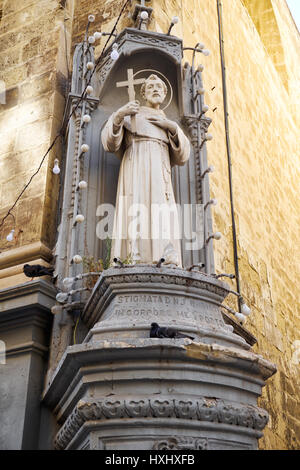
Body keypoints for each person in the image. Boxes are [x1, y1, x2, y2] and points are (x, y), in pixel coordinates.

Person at [101, 74, 190, 266]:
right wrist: (119, 116)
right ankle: (134, 256)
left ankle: (163, 257)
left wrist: (172, 128)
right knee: (136, 207)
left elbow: (183, 156)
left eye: (160, 86)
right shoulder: (132, 114)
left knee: (161, 210)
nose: (156, 89)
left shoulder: (168, 124)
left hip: (160, 170)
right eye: (151, 87)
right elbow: (109, 143)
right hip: (136, 166)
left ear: (165, 94)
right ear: (143, 93)